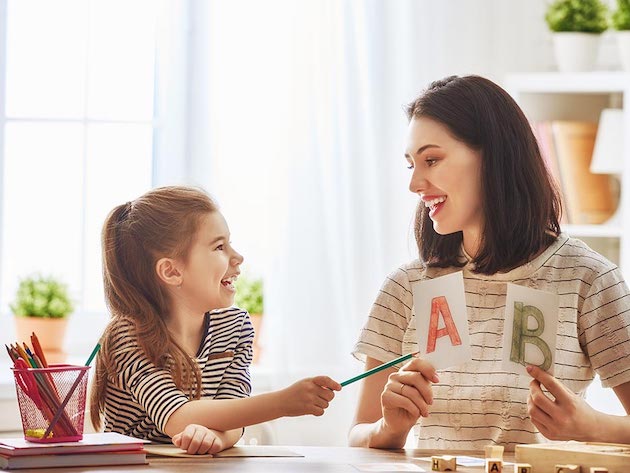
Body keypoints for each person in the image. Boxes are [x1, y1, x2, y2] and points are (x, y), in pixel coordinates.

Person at [348, 75, 630, 451]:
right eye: (411, 164)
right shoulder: (406, 286)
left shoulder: (588, 279)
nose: (415, 184)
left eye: (431, 159)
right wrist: (389, 429)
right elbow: (357, 435)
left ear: (494, 157)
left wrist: (591, 425)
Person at [90, 186, 341, 454]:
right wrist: (282, 403)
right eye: (219, 246)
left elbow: (234, 412)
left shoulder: (235, 327)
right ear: (171, 271)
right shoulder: (126, 336)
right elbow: (176, 417)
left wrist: (217, 439)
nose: (238, 257)